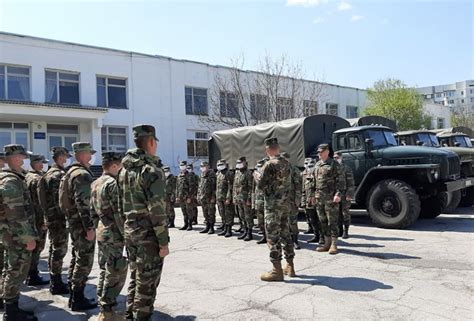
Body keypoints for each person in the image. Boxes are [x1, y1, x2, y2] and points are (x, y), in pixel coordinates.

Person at [119, 124, 169, 321]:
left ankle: (130, 315)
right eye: (155, 142)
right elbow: (157, 210)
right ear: (150, 142)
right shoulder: (151, 171)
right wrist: (163, 242)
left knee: (136, 277)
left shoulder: (124, 171)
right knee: (147, 283)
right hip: (148, 235)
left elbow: (119, 204)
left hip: (130, 231)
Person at [0, 144, 38, 321]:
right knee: (16, 270)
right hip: (16, 235)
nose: (24, 161)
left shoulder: (9, 178)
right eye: (22, 157)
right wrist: (27, 237)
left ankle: (6, 302)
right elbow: (16, 213)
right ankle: (11, 311)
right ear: (15, 158)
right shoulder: (11, 181)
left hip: (9, 233)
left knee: (10, 268)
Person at [90, 152, 127, 321]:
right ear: (113, 166)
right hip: (113, 233)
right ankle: (108, 312)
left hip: (101, 231)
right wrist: (126, 234)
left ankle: (103, 307)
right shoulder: (112, 183)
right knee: (115, 270)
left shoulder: (95, 183)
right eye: (120, 166)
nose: (121, 169)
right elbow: (118, 212)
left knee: (105, 269)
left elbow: (92, 212)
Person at [62, 142, 97, 311]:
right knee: (84, 260)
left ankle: (73, 294)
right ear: (81, 154)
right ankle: (78, 298)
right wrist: (89, 228)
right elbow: (84, 204)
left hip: (74, 223)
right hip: (82, 226)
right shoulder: (82, 174)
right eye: (89, 153)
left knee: (77, 257)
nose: (91, 157)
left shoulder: (70, 172)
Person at [258, 138, 295, 281]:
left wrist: (256, 176)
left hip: (273, 206)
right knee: (286, 234)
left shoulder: (268, 165)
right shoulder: (287, 163)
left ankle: (276, 270)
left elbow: (261, 185)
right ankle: (290, 266)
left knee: (272, 237)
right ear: (278, 148)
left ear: (267, 150)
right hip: (285, 205)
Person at [38, 147, 71, 295]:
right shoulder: (57, 175)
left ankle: (54, 280)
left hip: (51, 217)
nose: (66, 159)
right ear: (60, 157)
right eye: (65, 157)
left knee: (54, 248)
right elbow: (61, 200)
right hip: (58, 218)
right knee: (59, 250)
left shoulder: (48, 174)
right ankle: (56, 283)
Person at [311, 144, 345, 255]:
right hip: (319, 198)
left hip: (331, 198)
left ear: (327, 151)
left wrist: (338, 194)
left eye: (321, 151)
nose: (319, 153)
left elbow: (341, 181)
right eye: (318, 152)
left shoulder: (334, 164)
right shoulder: (317, 165)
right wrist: (312, 195)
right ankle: (327, 243)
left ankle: (334, 244)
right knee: (322, 221)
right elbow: (313, 181)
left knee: (333, 221)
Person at [24, 154, 49, 286]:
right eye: (40, 162)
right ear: (33, 163)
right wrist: (45, 218)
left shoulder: (27, 176)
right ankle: (32, 274)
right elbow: (41, 201)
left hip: (30, 216)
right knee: (37, 246)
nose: (42, 165)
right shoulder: (37, 179)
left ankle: (30, 272)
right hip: (38, 217)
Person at [281, 152, 302, 250]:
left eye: (284, 159)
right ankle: (286, 240)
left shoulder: (294, 170)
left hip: (291, 200)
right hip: (281, 201)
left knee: (293, 221)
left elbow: (298, 186)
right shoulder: (279, 170)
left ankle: (295, 241)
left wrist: (298, 200)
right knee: (284, 221)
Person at [334, 152, 355, 239]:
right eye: (334, 157)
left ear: (341, 157)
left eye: (337, 157)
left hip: (345, 193)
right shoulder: (333, 168)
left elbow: (351, 182)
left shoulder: (346, 168)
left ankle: (346, 231)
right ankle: (340, 230)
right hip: (336, 194)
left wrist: (350, 194)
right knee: (337, 213)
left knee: (345, 213)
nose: (335, 159)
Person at [232, 157, 254, 241]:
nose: (238, 164)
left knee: (248, 216)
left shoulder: (248, 173)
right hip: (238, 199)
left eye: (240, 162)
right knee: (242, 216)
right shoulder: (237, 172)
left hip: (245, 199)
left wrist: (249, 199)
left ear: (245, 162)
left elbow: (250, 187)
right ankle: (245, 231)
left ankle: (249, 233)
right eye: (237, 162)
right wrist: (234, 197)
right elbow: (234, 186)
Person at [302, 159, 323, 244]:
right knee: (312, 220)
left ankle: (322, 237)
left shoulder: (318, 174)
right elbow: (303, 190)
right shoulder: (304, 175)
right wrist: (303, 202)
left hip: (317, 200)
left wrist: (316, 198)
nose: (308, 166)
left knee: (320, 220)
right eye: (306, 164)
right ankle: (316, 236)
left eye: (311, 165)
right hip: (309, 201)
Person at [216, 160, 234, 238]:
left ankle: (229, 230)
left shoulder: (229, 173)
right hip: (219, 197)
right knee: (222, 213)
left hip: (226, 198)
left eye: (221, 164)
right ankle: (225, 228)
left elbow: (230, 187)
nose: (220, 166)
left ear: (225, 165)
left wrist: (228, 198)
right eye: (219, 164)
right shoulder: (219, 173)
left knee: (228, 214)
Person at [252, 160, 266, 244]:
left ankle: (272, 239)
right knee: (260, 222)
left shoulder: (267, 176)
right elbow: (253, 190)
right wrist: (253, 203)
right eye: (258, 166)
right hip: (258, 202)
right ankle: (264, 236)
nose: (258, 168)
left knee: (269, 223)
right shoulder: (255, 176)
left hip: (266, 203)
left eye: (260, 166)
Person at [176, 161, 192, 230]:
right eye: (181, 165)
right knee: (184, 211)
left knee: (189, 211)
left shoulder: (189, 175)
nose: (182, 166)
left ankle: (190, 225)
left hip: (187, 196)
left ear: (186, 166)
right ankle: (185, 224)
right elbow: (177, 187)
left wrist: (189, 197)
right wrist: (177, 196)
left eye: (183, 165)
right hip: (181, 197)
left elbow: (192, 187)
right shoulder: (179, 175)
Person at [301, 158, 314, 235]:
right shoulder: (303, 173)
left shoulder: (314, 172)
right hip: (305, 196)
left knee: (314, 215)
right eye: (305, 163)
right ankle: (310, 227)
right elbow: (302, 187)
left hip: (312, 197)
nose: (307, 165)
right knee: (307, 213)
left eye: (309, 164)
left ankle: (316, 231)